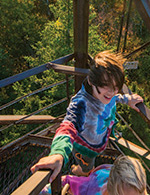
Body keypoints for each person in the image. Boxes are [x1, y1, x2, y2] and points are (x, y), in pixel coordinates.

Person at [31, 51, 143, 179]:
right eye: (106, 85)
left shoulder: (104, 94)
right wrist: (57, 153)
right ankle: (80, 171)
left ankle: (83, 169)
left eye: (116, 86)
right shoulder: (81, 103)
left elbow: (114, 98)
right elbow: (68, 126)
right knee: (87, 168)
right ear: (91, 81)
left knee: (91, 161)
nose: (112, 91)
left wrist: (127, 99)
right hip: (84, 148)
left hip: (99, 139)